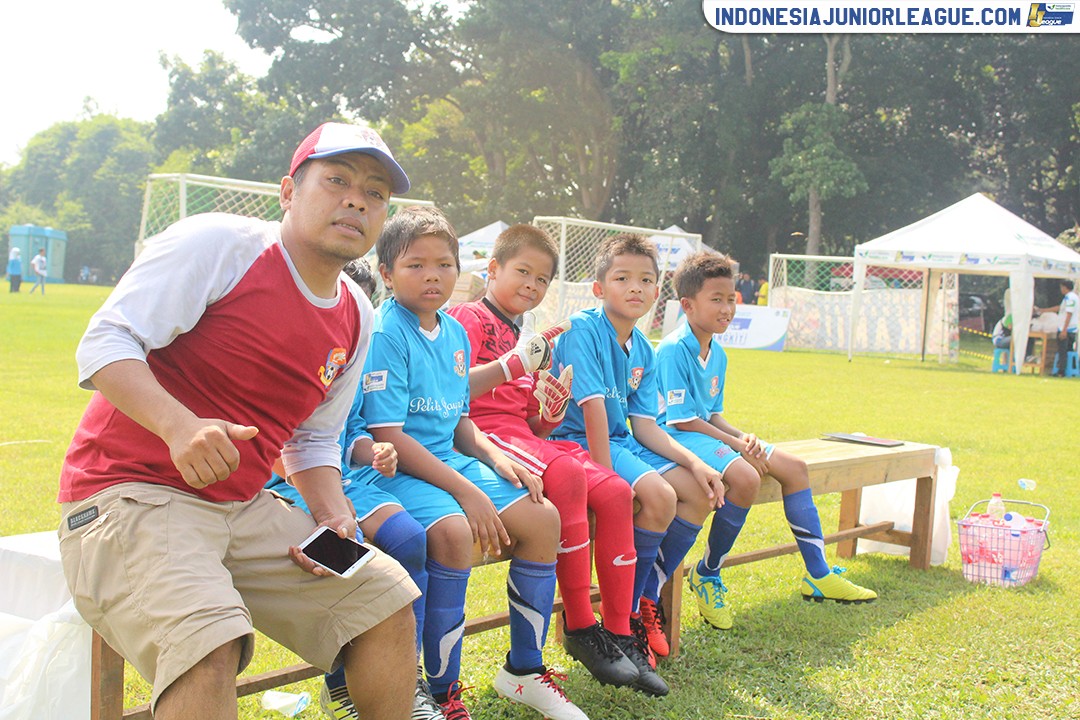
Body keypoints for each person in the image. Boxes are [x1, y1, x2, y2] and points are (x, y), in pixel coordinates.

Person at [56, 122, 420, 720]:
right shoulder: (221, 244)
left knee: (381, 593)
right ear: (287, 192)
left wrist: (330, 511)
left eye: (375, 193)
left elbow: (314, 438)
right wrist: (177, 426)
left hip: (245, 512)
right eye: (337, 180)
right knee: (209, 647)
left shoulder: (355, 313)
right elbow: (103, 345)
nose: (357, 199)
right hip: (128, 498)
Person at [362, 206, 580, 720]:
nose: (432, 275)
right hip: (399, 469)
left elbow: (460, 421)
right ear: (387, 273)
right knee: (456, 534)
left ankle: (523, 671)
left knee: (542, 516)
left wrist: (494, 457)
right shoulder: (386, 332)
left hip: (448, 462)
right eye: (416, 265)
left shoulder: (454, 335)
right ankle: (439, 693)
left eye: (444, 264)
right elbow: (387, 436)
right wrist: (467, 490)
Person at [447, 224, 667, 697]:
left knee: (614, 490)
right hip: (479, 436)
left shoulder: (520, 331)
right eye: (522, 272)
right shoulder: (468, 316)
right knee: (567, 472)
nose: (531, 284)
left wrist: (548, 412)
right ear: (492, 269)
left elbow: (528, 419)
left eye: (542, 279)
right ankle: (581, 627)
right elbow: (452, 393)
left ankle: (619, 634)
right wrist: (517, 367)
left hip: (518, 435)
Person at [653, 251, 875, 632]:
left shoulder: (717, 352)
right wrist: (736, 446)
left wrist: (744, 437)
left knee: (794, 468)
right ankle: (708, 573)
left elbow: (713, 413)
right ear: (688, 305)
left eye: (731, 299)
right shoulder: (673, 348)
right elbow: (682, 419)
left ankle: (818, 574)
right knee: (746, 478)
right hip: (676, 437)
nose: (727, 308)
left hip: (705, 432)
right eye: (716, 299)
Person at [266, 257, 445, 720]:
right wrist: (316, 488)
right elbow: (272, 444)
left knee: (409, 538)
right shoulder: (283, 345)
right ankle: (342, 686)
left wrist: (374, 451)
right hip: (288, 483)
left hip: (348, 481)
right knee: (348, 550)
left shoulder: (355, 354)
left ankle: (409, 681)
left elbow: (355, 428)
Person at [549, 233, 725, 663]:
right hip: (572, 445)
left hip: (619, 441)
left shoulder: (642, 348)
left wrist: (694, 461)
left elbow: (645, 426)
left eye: (646, 280)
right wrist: (609, 481)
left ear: (656, 291)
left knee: (702, 491)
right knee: (661, 497)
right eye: (622, 278)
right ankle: (625, 618)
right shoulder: (582, 330)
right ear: (598, 288)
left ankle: (644, 599)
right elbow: (591, 412)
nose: (635, 288)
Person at [1037, 279, 1079, 377]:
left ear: (1064, 287)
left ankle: (1061, 371)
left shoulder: (1070, 298)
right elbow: (1060, 308)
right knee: (1067, 350)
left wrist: (1064, 330)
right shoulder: (1071, 297)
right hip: (1071, 328)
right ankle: (1069, 370)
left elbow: (1069, 313)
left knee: (1063, 350)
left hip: (1067, 329)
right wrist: (1043, 310)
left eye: (1061, 287)